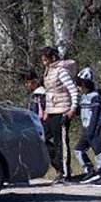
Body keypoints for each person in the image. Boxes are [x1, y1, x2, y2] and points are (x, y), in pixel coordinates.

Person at [40, 46, 79, 182]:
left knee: (60, 143)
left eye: (45, 60)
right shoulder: (48, 71)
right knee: (42, 138)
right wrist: (45, 110)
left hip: (62, 111)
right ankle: (57, 167)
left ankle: (64, 173)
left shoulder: (61, 71)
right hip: (51, 111)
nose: (44, 62)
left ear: (52, 58)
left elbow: (73, 90)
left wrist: (72, 109)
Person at [74, 66, 101, 185]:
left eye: (79, 84)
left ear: (86, 84)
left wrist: (92, 129)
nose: (78, 87)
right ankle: (89, 170)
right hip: (86, 128)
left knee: (98, 151)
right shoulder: (83, 97)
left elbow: (95, 115)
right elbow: (79, 110)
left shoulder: (95, 97)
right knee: (78, 150)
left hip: (97, 129)